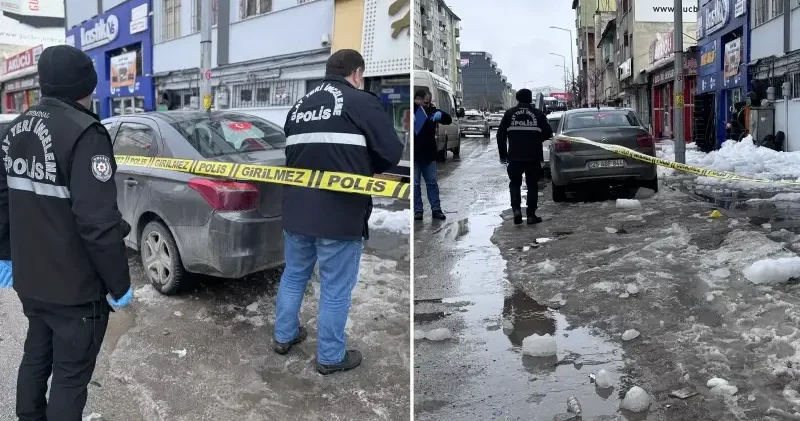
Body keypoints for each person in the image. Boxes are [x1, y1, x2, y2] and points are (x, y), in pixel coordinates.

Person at [0, 45, 132, 420]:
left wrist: (6, 253)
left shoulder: (14, 129)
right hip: (75, 290)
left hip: (31, 280)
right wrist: (119, 286)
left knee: (36, 357)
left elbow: (1, 201)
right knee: (70, 378)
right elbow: (98, 223)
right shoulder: (86, 133)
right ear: (85, 86)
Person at [274, 49, 404, 375]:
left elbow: (294, 153)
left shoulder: (300, 105)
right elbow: (390, 153)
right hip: (339, 214)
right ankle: (331, 356)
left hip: (296, 211)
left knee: (293, 276)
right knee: (335, 287)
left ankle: (283, 335)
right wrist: (363, 167)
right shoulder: (362, 102)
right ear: (357, 73)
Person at [496, 88, 553, 225]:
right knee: (532, 185)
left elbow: (500, 136)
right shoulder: (537, 114)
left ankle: (516, 211)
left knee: (515, 184)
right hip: (533, 156)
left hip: (515, 156)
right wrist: (535, 137)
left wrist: (503, 155)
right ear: (530, 99)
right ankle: (531, 215)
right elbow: (548, 133)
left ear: (517, 98)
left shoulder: (510, 114)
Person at [413, 88, 451, 221]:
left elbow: (448, 119)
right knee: (415, 185)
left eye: (429, 102)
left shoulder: (431, 110)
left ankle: (436, 209)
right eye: (425, 102)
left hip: (428, 154)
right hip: (414, 155)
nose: (428, 105)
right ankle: (418, 211)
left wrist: (441, 116)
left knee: (432, 183)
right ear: (417, 100)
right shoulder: (410, 111)